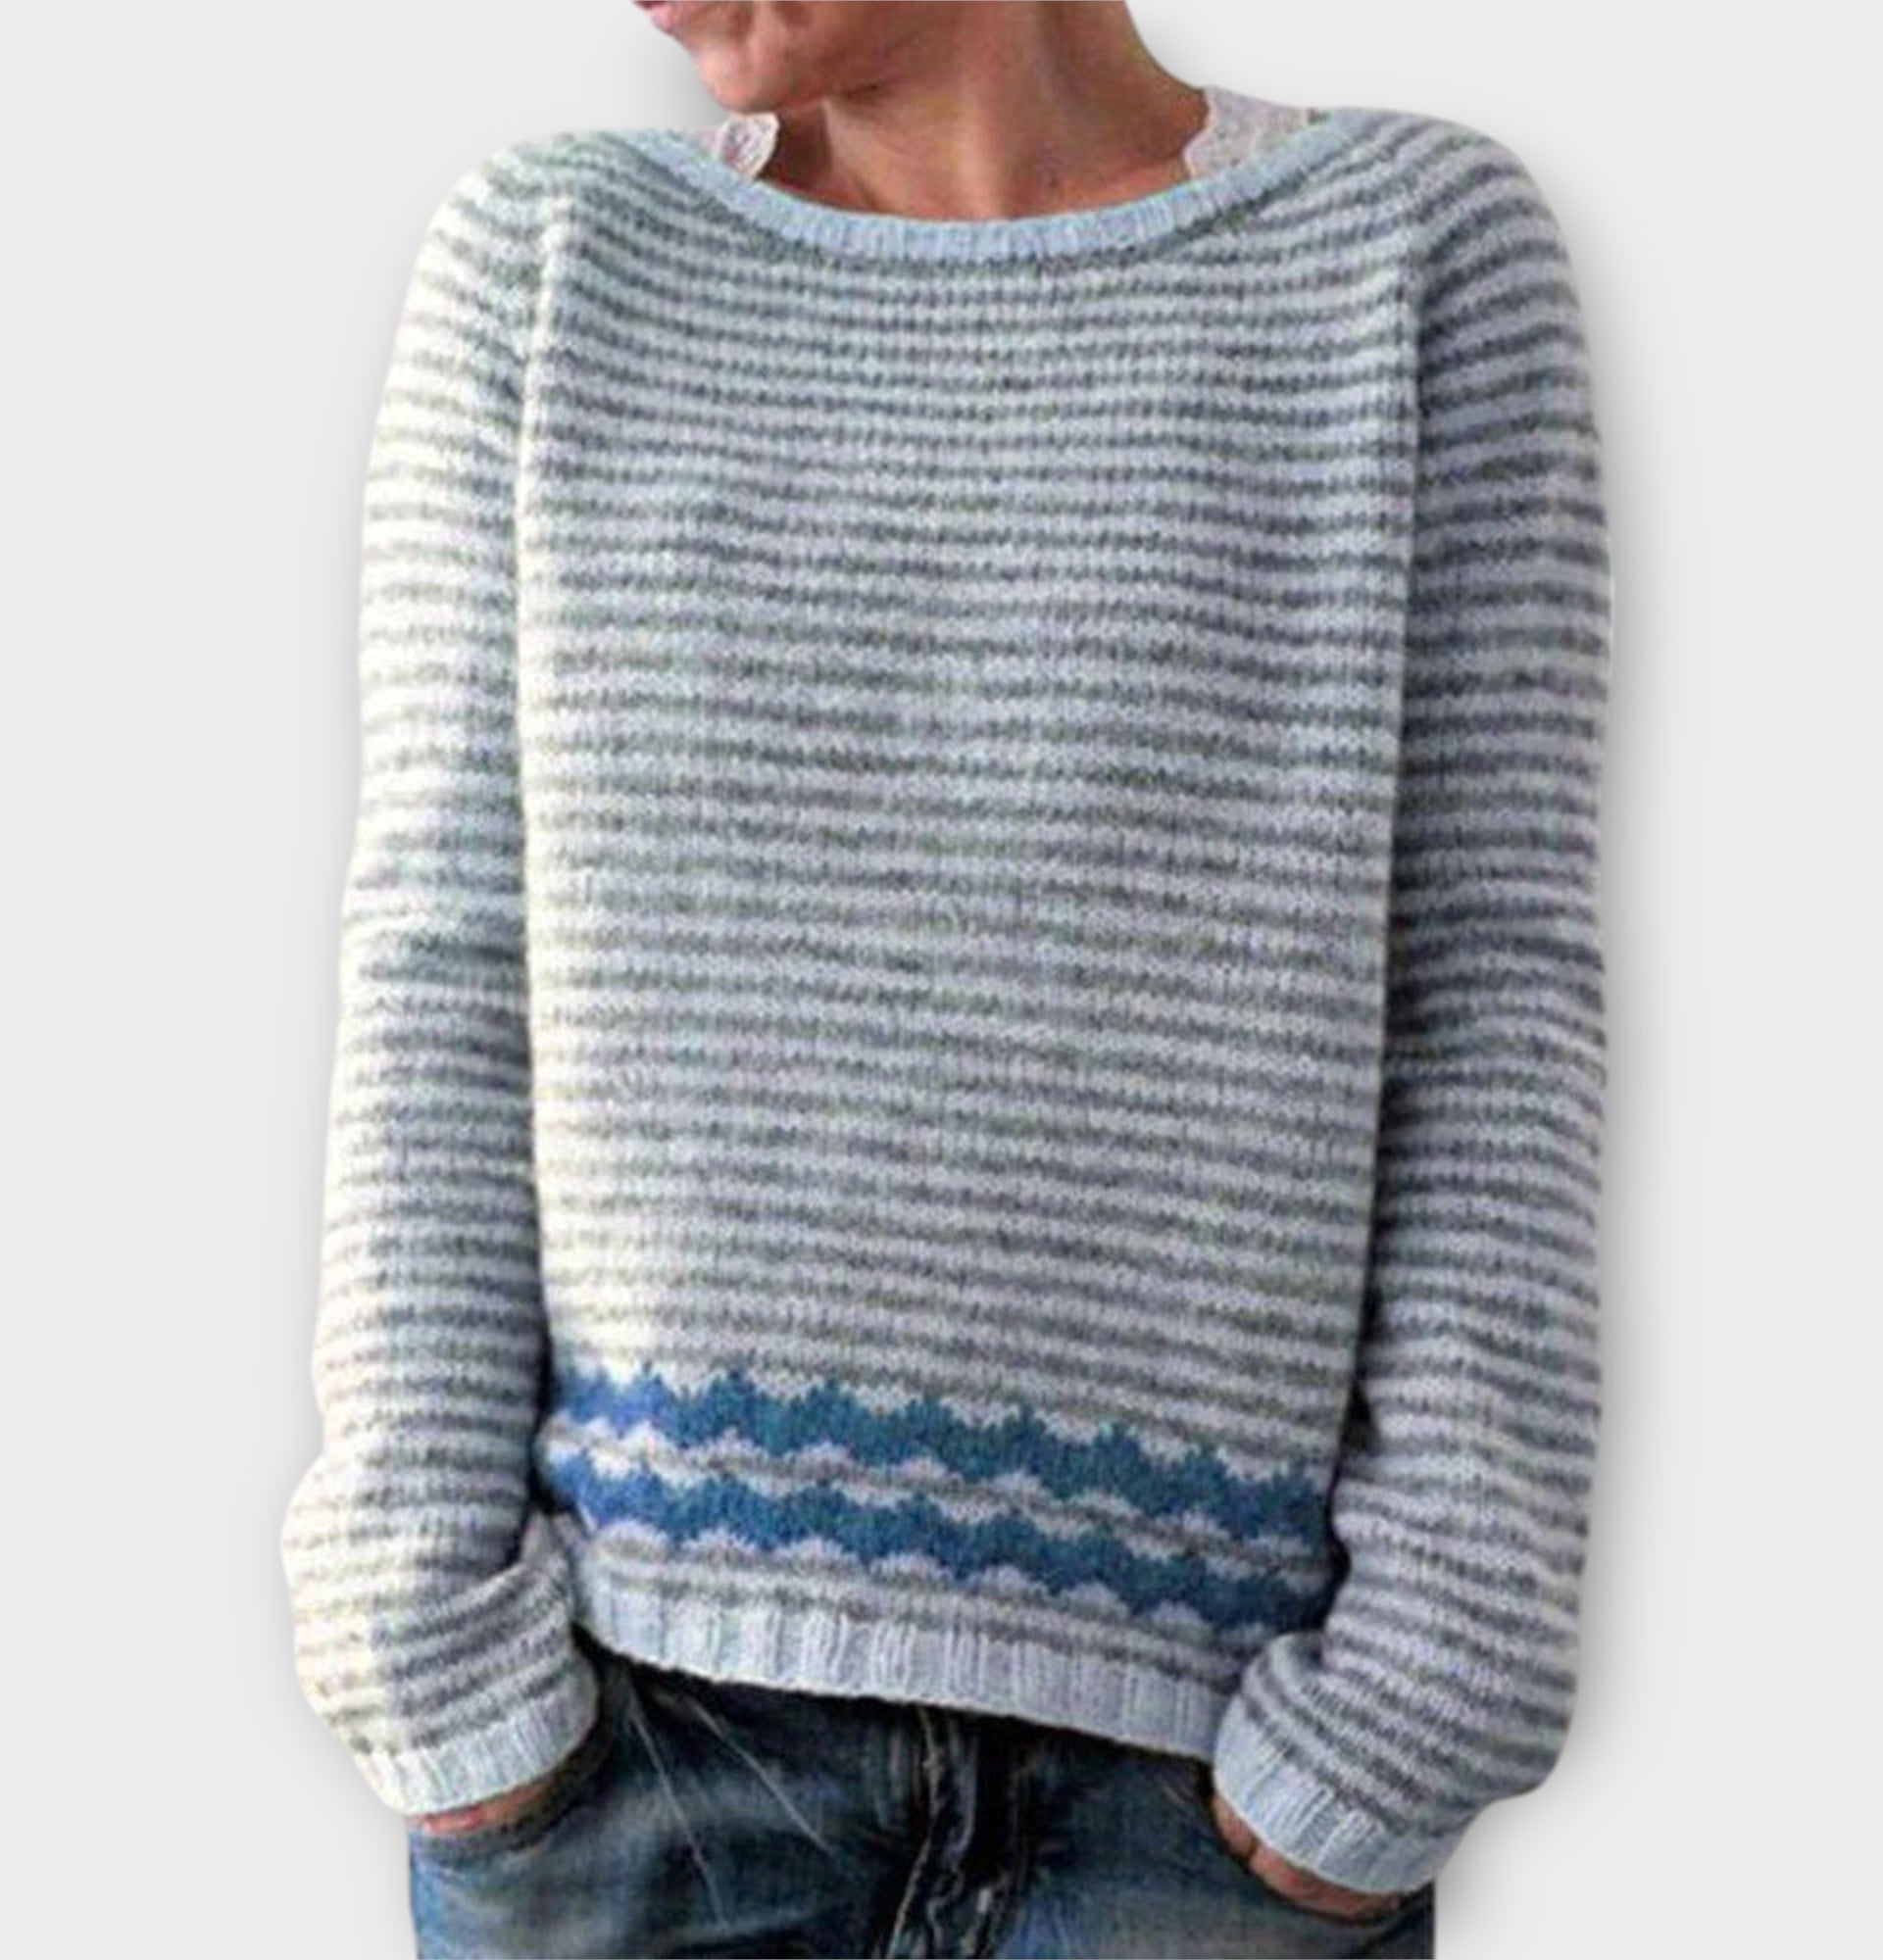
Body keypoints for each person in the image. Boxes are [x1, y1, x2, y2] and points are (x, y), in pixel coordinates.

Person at [277, 3, 1611, 1954]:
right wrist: (414, 1625)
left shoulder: (1405, 252)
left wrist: (1440, 1667)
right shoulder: (558, 259)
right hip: (632, 1753)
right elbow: (443, 953)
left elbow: (1488, 984)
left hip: (1215, 1785)